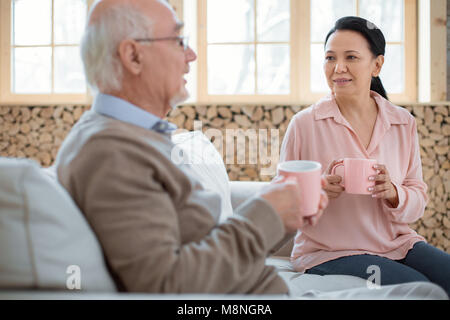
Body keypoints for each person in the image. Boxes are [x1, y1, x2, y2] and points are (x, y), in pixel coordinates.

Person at [53, 0, 327, 294]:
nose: (192, 55)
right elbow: (170, 285)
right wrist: (266, 213)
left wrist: (283, 218)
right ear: (133, 56)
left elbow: (207, 249)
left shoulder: (133, 136)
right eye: (178, 40)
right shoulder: (111, 152)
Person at [280, 16, 450, 296]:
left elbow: (418, 198)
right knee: (425, 291)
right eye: (330, 58)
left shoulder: (402, 122)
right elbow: (282, 201)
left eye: (351, 57)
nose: (339, 68)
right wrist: (317, 189)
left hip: (399, 243)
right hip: (329, 252)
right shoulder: (304, 124)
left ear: (377, 64)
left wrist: (394, 193)